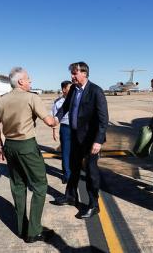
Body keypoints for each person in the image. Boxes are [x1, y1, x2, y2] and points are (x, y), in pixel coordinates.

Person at [0, 67, 58, 243]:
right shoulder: (31, 97)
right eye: (28, 79)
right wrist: (55, 120)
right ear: (20, 81)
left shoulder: (2, 100)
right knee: (40, 186)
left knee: (18, 186)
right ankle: (33, 231)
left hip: (9, 146)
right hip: (27, 146)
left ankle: (21, 228)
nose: (30, 81)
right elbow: (49, 121)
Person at [52, 62, 109, 219]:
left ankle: (93, 204)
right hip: (76, 137)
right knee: (73, 167)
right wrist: (56, 119)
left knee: (91, 172)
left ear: (84, 73)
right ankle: (70, 196)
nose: (72, 76)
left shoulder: (96, 91)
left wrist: (98, 140)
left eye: (75, 73)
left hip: (91, 140)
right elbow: (65, 108)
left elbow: (104, 119)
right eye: (72, 73)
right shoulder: (73, 90)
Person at [51, 80, 72, 184]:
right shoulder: (57, 102)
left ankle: (74, 172)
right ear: (64, 89)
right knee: (65, 152)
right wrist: (54, 131)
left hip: (77, 128)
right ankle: (67, 174)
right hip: (65, 128)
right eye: (70, 87)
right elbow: (54, 117)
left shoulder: (76, 99)